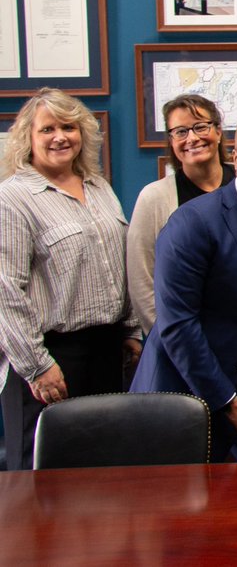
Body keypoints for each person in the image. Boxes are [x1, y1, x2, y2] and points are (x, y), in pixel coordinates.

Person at [130, 113, 237, 462]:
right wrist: (226, 400)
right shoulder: (192, 221)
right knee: (179, 512)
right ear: (234, 156)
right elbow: (178, 323)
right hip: (183, 394)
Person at [0, 88, 141, 470]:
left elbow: (118, 261)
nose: (60, 136)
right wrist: (36, 365)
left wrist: (130, 330)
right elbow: (6, 291)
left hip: (105, 349)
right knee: (43, 476)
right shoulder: (13, 198)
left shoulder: (98, 187)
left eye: (69, 126)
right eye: (48, 129)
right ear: (28, 138)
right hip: (51, 354)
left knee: (103, 468)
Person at [127, 94, 234, 336]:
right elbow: (141, 279)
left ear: (218, 131)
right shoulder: (154, 198)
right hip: (182, 340)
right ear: (171, 141)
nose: (192, 138)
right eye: (181, 131)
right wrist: (169, 341)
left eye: (200, 127)